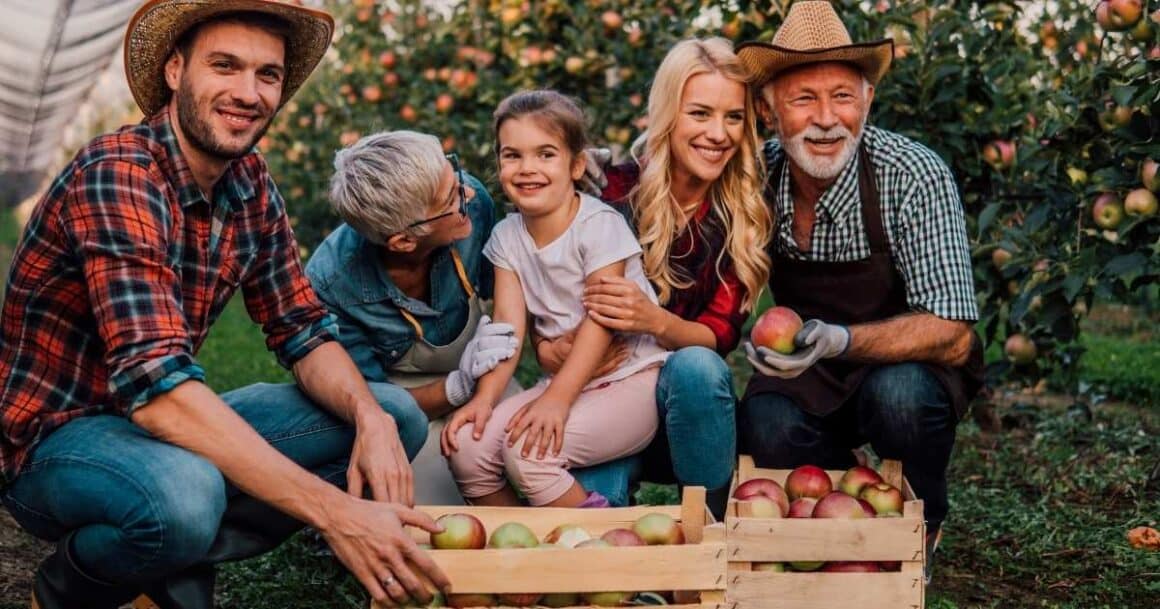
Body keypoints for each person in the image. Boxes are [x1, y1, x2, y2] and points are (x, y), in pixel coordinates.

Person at [0, 2, 447, 608]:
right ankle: (71, 588)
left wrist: (369, 419)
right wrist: (337, 513)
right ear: (176, 71)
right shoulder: (119, 174)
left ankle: (167, 566)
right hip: (56, 440)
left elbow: (303, 329)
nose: (248, 92)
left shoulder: (249, 183)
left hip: (158, 421)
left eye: (267, 75)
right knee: (183, 496)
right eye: (225, 66)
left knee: (393, 415)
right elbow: (158, 393)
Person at [735, 0, 984, 580]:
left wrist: (841, 340)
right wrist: (609, 174)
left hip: (909, 364)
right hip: (811, 366)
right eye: (804, 99)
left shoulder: (911, 173)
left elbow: (952, 333)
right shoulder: (756, 177)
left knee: (898, 399)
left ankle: (922, 517)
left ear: (867, 101)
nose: (827, 118)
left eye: (843, 96)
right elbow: (679, 183)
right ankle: (849, 503)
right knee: (763, 424)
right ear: (770, 111)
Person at [305, 130, 637, 507]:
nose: (470, 195)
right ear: (403, 242)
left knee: (527, 451)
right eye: (451, 199)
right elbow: (370, 405)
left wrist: (545, 348)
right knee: (431, 517)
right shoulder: (332, 284)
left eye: (456, 177)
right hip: (403, 407)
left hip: (485, 371)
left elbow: (520, 283)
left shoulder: (470, 206)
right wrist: (459, 386)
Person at [544, 37, 773, 518]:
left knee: (697, 366)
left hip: (689, 410)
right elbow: (551, 297)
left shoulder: (739, 215)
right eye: (700, 113)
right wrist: (554, 348)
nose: (719, 133)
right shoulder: (611, 193)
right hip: (606, 397)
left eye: (733, 117)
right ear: (667, 113)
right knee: (599, 531)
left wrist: (652, 319)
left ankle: (710, 529)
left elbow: (718, 337)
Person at [441, 90, 669, 508]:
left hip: (630, 379)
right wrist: (485, 400)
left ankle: (594, 554)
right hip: (567, 380)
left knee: (530, 453)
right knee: (468, 453)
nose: (528, 169)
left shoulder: (599, 225)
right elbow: (507, 330)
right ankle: (523, 554)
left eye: (546, 154)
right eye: (513, 155)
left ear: (576, 164)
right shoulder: (506, 237)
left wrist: (557, 400)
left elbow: (603, 321)